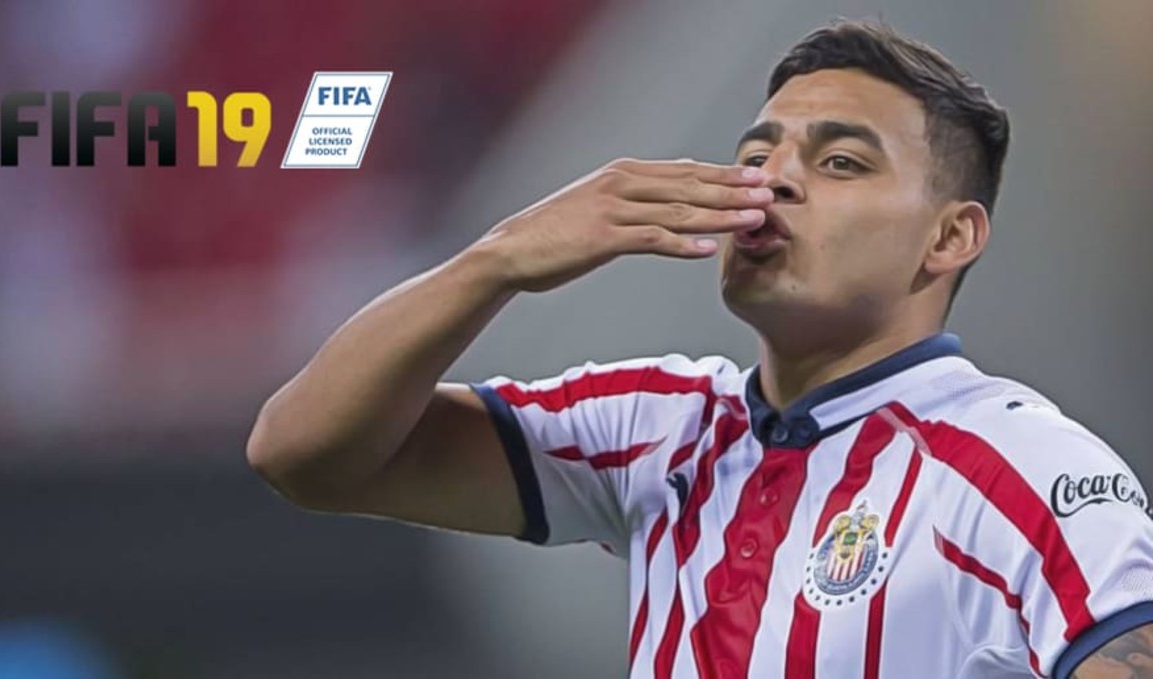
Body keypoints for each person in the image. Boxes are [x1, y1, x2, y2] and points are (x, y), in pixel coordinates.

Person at [247, 19, 1153, 679]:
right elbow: (303, 454)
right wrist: (498, 260)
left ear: (950, 237)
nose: (773, 181)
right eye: (756, 157)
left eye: (840, 162)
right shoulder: (659, 425)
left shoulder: (1022, 465)